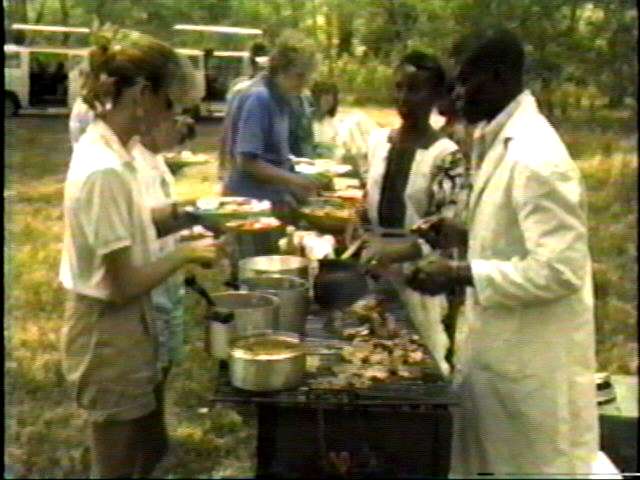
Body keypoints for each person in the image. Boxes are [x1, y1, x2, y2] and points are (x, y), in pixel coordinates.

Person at [406, 29, 599, 477]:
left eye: (463, 81)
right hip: (495, 355)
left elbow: (559, 270)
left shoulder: (537, 157)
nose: (455, 94)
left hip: (532, 366)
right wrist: (462, 232)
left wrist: (460, 273)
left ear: (497, 78)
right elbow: (515, 236)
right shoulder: (500, 140)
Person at [58, 26, 223, 478]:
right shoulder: (104, 169)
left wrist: (189, 214)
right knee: (115, 464)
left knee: (143, 451)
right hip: (108, 330)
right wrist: (185, 255)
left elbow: (131, 226)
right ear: (144, 95)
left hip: (129, 324)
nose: (174, 117)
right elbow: (120, 284)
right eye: (170, 103)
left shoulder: (118, 152)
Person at [361, 50, 471, 377]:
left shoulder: (445, 155)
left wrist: (400, 250)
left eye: (415, 89)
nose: (404, 98)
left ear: (436, 95)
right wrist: (361, 225)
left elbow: (447, 226)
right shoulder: (379, 142)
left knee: (421, 360)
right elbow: (370, 198)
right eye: (398, 88)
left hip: (421, 277)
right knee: (375, 353)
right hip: (374, 270)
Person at [223, 30, 321, 215]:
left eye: (308, 77)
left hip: (272, 200)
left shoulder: (283, 98)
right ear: (280, 70)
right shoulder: (260, 98)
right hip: (248, 205)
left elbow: (274, 154)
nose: (305, 83)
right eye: (299, 76)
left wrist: (297, 167)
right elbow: (247, 161)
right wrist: (294, 180)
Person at [310, 80, 377, 179]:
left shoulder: (334, 122)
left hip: (335, 164)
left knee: (358, 121)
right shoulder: (306, 120)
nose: (328, 99)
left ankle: (366, 171)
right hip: (315, 164)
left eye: (331, 96)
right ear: (315, 97)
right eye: (324, 95)